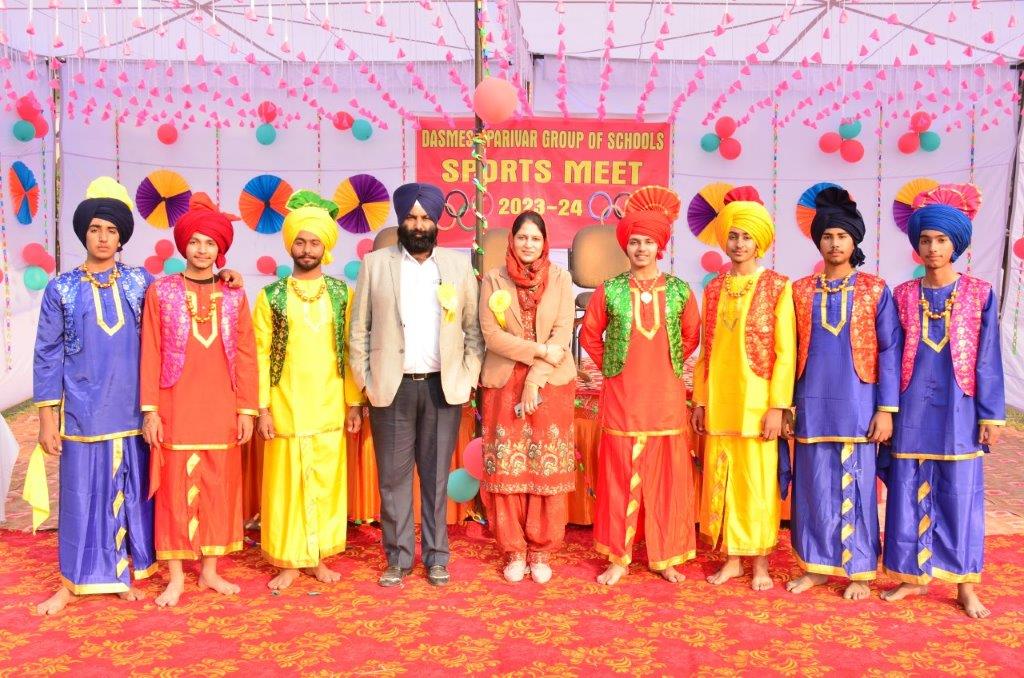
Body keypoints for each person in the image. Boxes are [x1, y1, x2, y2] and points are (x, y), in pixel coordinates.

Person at [31, 177, 157, 615]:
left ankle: (120, 575)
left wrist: (224, 276)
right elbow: (47, 354)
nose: (103, 238)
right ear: (84, 234)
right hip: (83, 413)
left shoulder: (141, 282)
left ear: (121, 238)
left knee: (128, 494)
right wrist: (47, 419)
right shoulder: (61, 288)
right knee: (81, 498)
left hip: (133, 411)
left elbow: (175, 309)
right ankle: (72, 582)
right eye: (95, 229)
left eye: (111, 230)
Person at [349, 182, 484, 587]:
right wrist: (367, 382)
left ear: (437, 222)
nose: (418, 224)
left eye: (425, 218)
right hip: (392, 388)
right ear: (400, 220)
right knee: (393, 481)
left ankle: (437, 556)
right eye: (411, 217)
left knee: (436, 479)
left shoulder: (457, 267)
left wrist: (467, 376)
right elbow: (359, 331)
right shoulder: (376, 264)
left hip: (442, 388)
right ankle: (398, 558)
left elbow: (473, 331)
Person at [880, 184, 1004, 619]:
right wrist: (886, 409)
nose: (933, 248)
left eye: (942, 240)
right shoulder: (902, 295)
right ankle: (911, 577)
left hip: (959, 408)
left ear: (957, 245)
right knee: (908, 489)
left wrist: (990, 414)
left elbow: (988, 356)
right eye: (926, 240)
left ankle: (965, 585)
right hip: (912, 406)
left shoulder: (979, 293)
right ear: (917, 245)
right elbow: (889, 356)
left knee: (960, 494)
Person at [782, 187, 901, 600]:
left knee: (856, 487)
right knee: (813, 489)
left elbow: (889, 350)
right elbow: (788, 351)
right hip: (811, 403)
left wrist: (886, 409)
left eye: (842, 236)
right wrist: (785, 405)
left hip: (859, 405)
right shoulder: (799, 290)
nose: (834, 243)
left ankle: (859, 570)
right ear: (818, 241)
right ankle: (816, 567)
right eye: (828, 236)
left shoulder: (875, 289)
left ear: (854, 242)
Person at [140, 193, 258, 607]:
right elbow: (151, 351)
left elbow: (246, 353)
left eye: (210, 243)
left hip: (222, 406)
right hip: (175, 405)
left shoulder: (234, 294)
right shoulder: (162, 291)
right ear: (184, 245)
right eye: (195, 242)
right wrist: (150, 410)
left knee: (216, 487)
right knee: (174, 492)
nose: (202, 250)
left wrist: (246, 409)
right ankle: (176, 576)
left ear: (220, 249)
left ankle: (209, 571)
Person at [580, 186, 701, 586]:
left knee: (667, 481)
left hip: (665, 399)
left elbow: (691, 335)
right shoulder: (610, 290)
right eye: (634, 242)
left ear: (659, 246)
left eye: (648, 242)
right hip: (623, 398)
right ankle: (619, 557)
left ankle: (666, 557)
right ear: (626, 247)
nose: (641, 249)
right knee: (619, 479)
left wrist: (668, 366)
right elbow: (590, 335)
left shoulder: (680, 290)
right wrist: (613, 368)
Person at [253, 191, 364, 589]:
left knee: (324, 485)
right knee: (286, 487)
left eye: (314, 242)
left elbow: (351, 349)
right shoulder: (271, 296)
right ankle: (288, 561)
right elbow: (260, 354)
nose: (306, 249)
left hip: (329, 406)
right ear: (290, 245)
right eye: (300, 241)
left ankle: (318, 558)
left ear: (325, 247)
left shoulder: (342, 293)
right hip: (286, 407)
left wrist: (354, 403)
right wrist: (263, 408)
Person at [691, 185, 795, 591]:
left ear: (760, 242)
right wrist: (700, 400)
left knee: (757, 484)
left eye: (747, 236)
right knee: (723, 479)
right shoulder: (714, 288)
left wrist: (778, 407)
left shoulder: (778, 286)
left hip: (757, 405)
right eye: (733, 235)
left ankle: (761, 563)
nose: (738, 243)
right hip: (721, 400)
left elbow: (786, 353)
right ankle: (732, 560)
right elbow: (706, 351)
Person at [478, 211, 576, 584]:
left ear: (545, 242)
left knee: (545, 466)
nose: (528, 244)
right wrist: (536, 350)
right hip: (504, 382)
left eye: (535, 238)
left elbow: (562, 333)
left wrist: (535, 379)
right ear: (512, 240)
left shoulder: (561, 278)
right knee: (508, 467)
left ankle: (541, 551)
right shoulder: (494, 279)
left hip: (550, 381)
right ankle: (514, 551)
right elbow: (492, 335)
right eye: (522, 237)